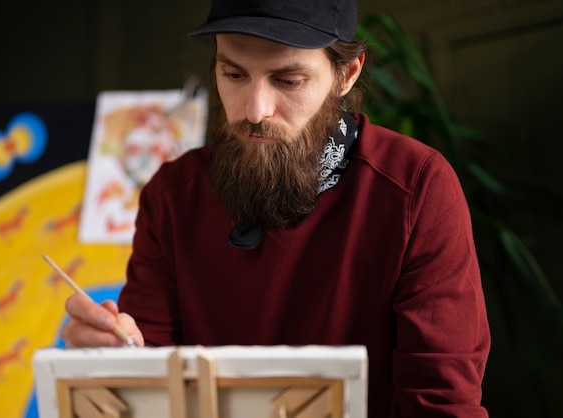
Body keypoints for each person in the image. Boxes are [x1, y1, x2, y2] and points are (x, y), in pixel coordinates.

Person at [62, 0, 491, 416]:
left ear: (347, 74)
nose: (255, 110)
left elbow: (440, 405)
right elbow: (149, 377)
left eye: (288, 81)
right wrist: (115, 359)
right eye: (233, 74)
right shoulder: (172, 196)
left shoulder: (415, 189)